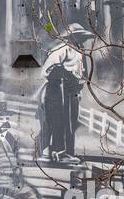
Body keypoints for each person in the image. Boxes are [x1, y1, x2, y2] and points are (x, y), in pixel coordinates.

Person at [36, 24, 91, 163]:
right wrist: (65, 75)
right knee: (57, 120)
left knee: (71, 121)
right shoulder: (62, 49)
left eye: (82, 37)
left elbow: (81, 74)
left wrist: (78, 85)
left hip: (72, 91)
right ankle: (55, 151)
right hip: (57, 90)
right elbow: (46, 71)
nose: (81, 39)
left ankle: (66, 152)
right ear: (71, 36)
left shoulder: (80, 51)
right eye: (78, 36)